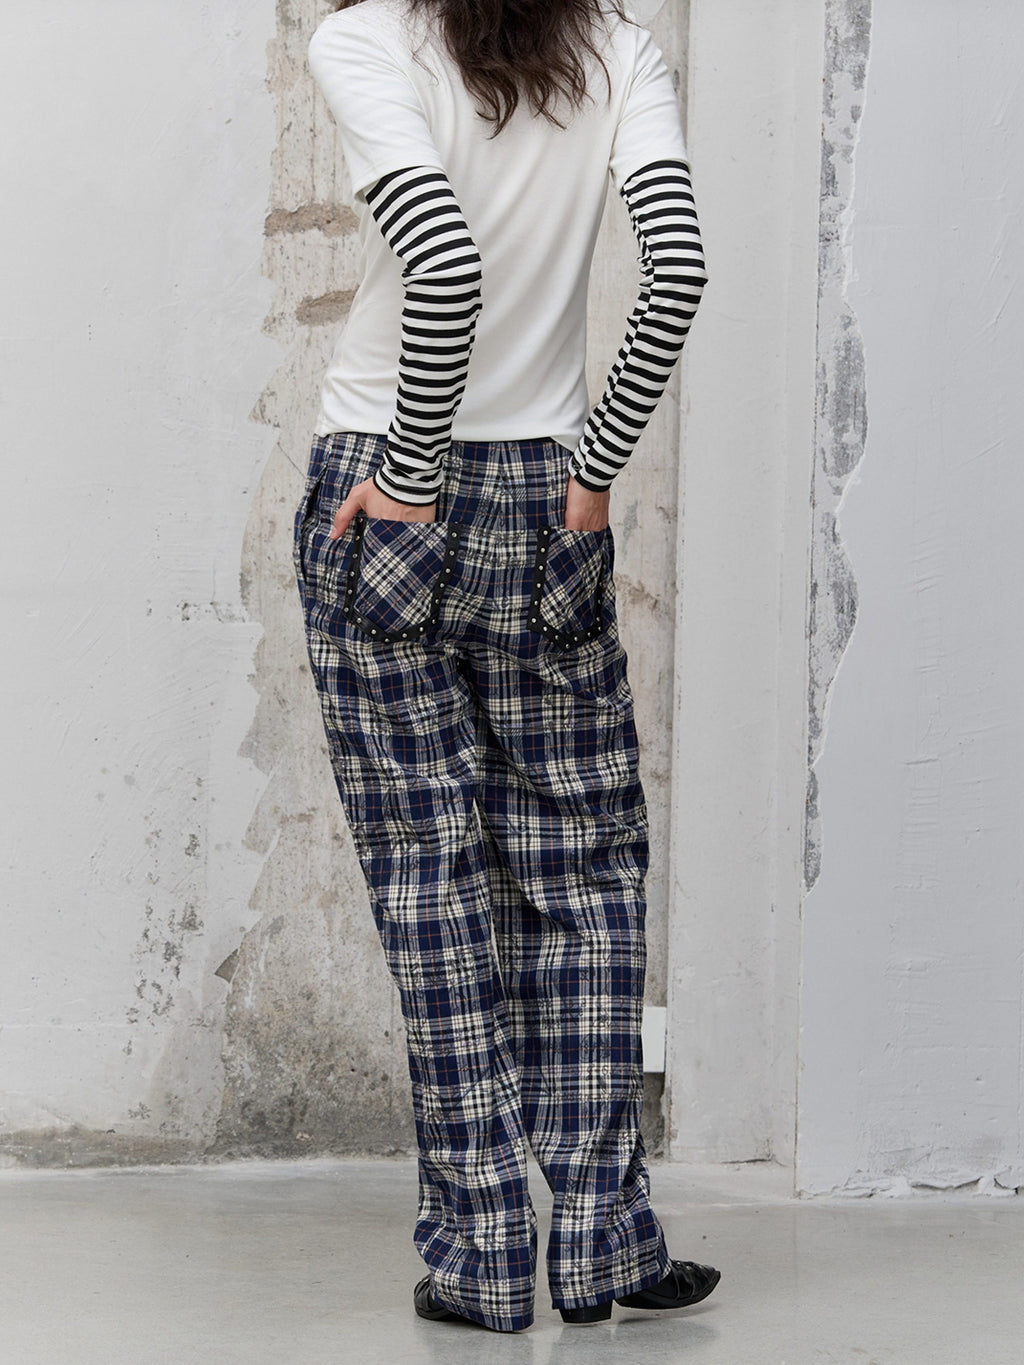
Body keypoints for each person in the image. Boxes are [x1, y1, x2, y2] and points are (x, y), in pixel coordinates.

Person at [293, 0, 715, 1334]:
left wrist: (414, 471)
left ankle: (482, 1257)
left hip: (385, 481)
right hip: (548, 491)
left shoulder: (365, 39)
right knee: (582, 870)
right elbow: (678, 268)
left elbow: (440, 256)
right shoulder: (620, 48)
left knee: (431, 878)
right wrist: (594, 473)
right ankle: (600, 1245)